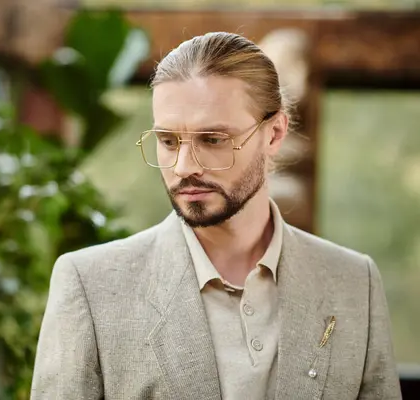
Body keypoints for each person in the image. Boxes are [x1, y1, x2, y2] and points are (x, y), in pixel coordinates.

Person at [30, 32, 401, 400]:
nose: (184, 166)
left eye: (212, 139)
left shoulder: (355, 284)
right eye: (168, 141)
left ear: (274, 134)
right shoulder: (91, 287)